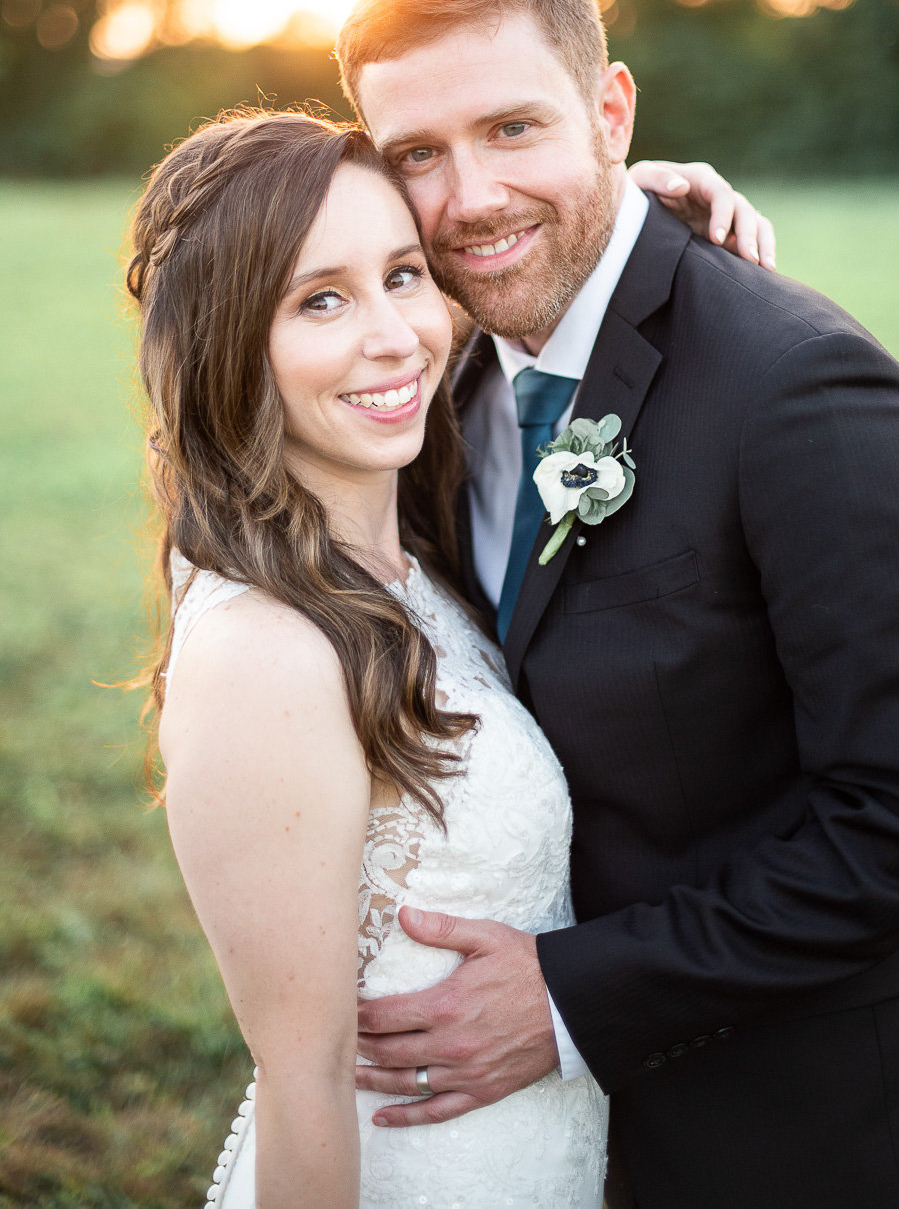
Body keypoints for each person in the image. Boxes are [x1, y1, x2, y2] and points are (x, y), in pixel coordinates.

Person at [336, 0, 899, 1209]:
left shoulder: (800, 391)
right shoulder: (437, 376)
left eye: (515, 128)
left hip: (801, 1134)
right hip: (551, 1142)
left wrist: (571, 996)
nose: (469, 198)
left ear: (610, 111)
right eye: (418, 155)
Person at [126, 109, 767, 1208]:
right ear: (231, 338)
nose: (393, 336)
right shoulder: (264, 651)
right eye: (319, 298)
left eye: (405, 274)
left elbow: (514, 301)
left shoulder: (418, 540)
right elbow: (305, 1084)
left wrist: (620, 220)